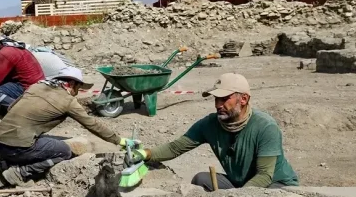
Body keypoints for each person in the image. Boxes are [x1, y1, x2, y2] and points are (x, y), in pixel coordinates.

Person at [126, 73, 299, 190]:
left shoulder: (265, 127)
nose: (217, 105)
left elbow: (264, 176)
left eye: (224, 99)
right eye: (216, 99)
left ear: (244, 99)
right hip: (241, 185)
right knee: (201, 180)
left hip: (275, 186)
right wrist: (144, 153)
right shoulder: (210, 124)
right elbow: (175, 148)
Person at [0, 66, 137, 187]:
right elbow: (92, 124)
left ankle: (0, 166)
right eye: (78, 87)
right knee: (63, 151)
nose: (78, 92)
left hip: (0, 141)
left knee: (37, 140)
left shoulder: (36, 87)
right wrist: (119, 140)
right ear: (71, 84)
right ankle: (20, 173)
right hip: (17, 147)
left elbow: (12, 106)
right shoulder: (67, 101)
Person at [0, 34, 45, 112]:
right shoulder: (10, 47)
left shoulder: (3, 53)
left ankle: (20, 109)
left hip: (28, 87)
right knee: (4, 82)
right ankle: (5, 109)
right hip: (38, 85)